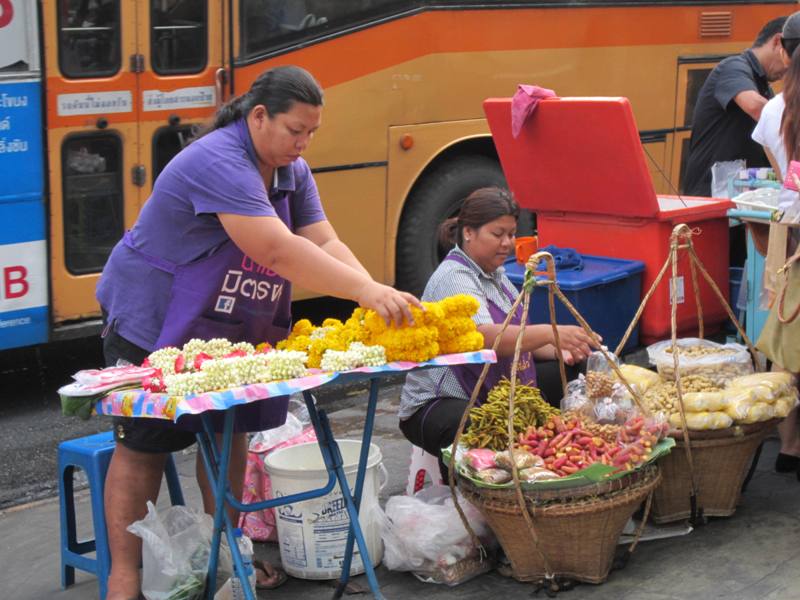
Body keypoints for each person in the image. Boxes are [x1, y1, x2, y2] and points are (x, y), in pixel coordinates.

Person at [96, 65, 420, 600]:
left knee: (230, 433)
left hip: (222, 320)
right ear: (259, 117)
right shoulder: (219, 160)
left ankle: (229, 556)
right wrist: (366, 294)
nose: (304, 142)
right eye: (296, 130)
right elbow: (275, 249)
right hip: (151, 317)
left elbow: (323, 241)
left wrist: (373, 288)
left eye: (312, 132)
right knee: (144, 447)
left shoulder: (293, 171)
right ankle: (123, 577)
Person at [397, 187, 599, 478]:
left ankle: (564, 454)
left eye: (511, 234)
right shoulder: (454, 276)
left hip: (491, 388)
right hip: (441, 400)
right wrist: (550, 332)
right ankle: (473, 499)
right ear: (468, 232)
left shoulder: (497, 274)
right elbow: (485, 338)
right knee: (476, 425)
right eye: (497, 234)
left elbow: (522, 339)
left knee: (579, 370)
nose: (507, 243)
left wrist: (563, 349)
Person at [752, 16, 800, 477]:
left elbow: (778, 168)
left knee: (788, 347)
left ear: (785, 49)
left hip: (790, 232)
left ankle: (789, 447)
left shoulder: (773, 109)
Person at [683, 16, 788, 198]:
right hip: (711, 202)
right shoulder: (733, 67)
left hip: (739, 201)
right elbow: (755, 107)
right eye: (791, 59)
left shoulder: (764, 88)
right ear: (777, 42)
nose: (788, 69)